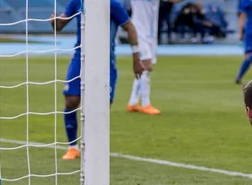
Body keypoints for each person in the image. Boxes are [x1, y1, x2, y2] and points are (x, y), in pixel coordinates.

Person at [51, 0, 143, 160]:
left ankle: (94, 149)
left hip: (105, 60)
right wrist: (54, 21)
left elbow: (130, 27)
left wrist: (136, 59)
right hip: (81, 57)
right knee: (71, 101)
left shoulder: (111, 4)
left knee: (101, 108)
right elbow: (60, 25)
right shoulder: (77, 2)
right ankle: (73, 147)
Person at [127, 0, 183, 116]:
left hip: (151, 33)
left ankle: (133, 102)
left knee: (144, 68)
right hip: (139, 31)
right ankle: (146, 103)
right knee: (147, 66)